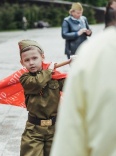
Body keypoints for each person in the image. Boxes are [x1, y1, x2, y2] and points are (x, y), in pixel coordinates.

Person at [50, 1, 116, 156]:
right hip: (73, 50)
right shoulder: (67, 22)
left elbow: (91, 33)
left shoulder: (85, 22)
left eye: (80, 13)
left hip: (85, 48)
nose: (79, 15)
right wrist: (77, 34)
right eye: (77, 13)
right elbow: (64, 35)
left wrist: (87, 33)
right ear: (72, 12)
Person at [18, 39, 70, 156]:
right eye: (27, 60)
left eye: (34, 58)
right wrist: (49, 71)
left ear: (42, 57)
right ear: (22, 63)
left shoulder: (54, 76)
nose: (31, 62)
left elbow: (72, 87)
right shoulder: (25, 78)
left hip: (55, 128)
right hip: (34, 130)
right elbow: (37, 83)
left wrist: (77, 66)